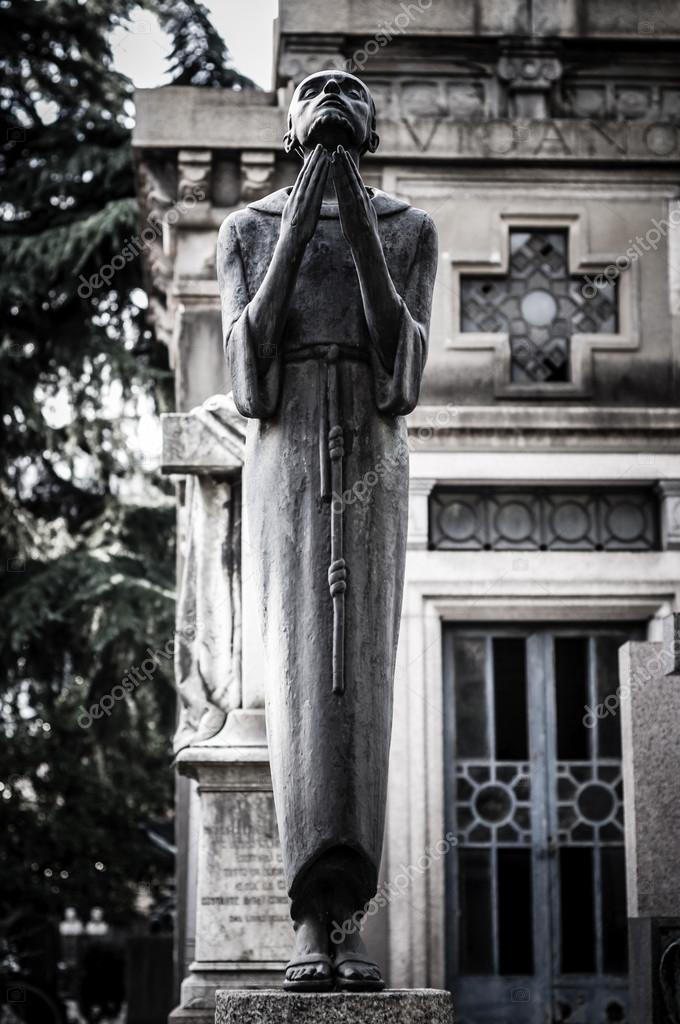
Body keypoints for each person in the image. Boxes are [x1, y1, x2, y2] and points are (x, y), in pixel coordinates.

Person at [217, 69, 437, 991]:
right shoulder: (247, 229)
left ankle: (349, 919)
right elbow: (248, 377)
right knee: (305, 677)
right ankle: (308, 926)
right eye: (315, 91)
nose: (333, 98)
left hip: (374, 452)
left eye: (350, 92)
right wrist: (304, 217)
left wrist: (353, 219)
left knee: (361, 690)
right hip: (290, 449)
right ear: (292, 132)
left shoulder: (409, 229)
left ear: (371, 130)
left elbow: (403, 370)